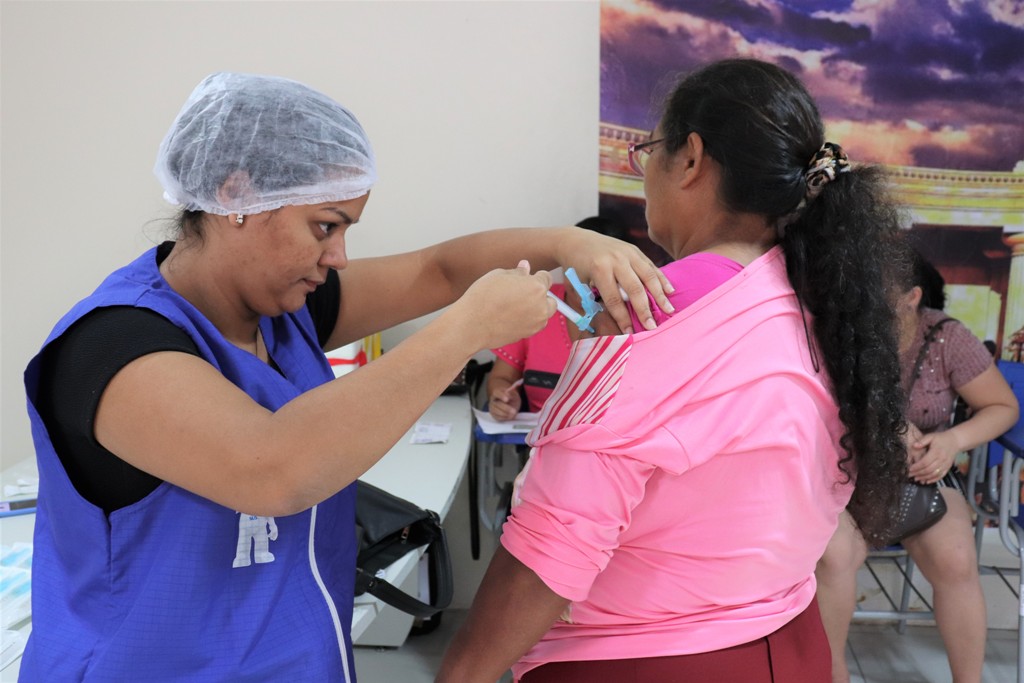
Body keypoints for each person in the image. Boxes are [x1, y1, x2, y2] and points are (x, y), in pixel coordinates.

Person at [19, 72, 673, 682]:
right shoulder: (113, 347)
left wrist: (571, 243)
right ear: (234, 195)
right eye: (324, 227)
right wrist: (469, 327)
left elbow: (439, 271)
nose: (338, 257)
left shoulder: (286, 312)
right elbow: (274, 467)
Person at [437, 57, 911, 683]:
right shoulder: (823, 302)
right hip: (790, 638)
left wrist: (462, 674)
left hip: (645, 658)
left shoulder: (657, 308)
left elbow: (556, 543)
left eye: (649, 152)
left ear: (689, 159)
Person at [814, 249, 1019, 683]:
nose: (862, 297)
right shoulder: (838, 334)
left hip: (923, 475)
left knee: (956, 559)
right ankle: (832, 675)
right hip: (846, 476)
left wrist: (951, 440)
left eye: (875, 289)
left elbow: (1002, 407)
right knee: (833, 558)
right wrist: (884, 424)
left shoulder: (947, 338)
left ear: (912, 296)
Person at [488, 216, 626, 421]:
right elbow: (502, 377)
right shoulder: (536, 303)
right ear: (564, 266)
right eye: (580, 268)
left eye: (601, 272)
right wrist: (504, 397)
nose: (588, 281)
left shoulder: (641, 316)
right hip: (540, 440)